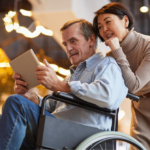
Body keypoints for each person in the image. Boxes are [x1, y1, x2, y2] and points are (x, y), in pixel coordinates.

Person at [0, 19, 127, 150]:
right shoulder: (70, 76)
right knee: (3, 119)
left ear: (91, 40)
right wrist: (31, 97)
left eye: (73, 41)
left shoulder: (106, 64)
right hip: (56, 130)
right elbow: (52, 106)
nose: (68, 48)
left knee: (16, 104)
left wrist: (61, 86)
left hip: (82, 135)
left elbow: (108, 96)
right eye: (65, 44)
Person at [93, 2, 150, 149]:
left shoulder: (147, 44)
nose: (104, 29)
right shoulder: (110, 55)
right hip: (140, 108)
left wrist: (118, 51)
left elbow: (134, 85)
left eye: (108, 22)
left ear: (125, 21)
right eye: (99, 27)